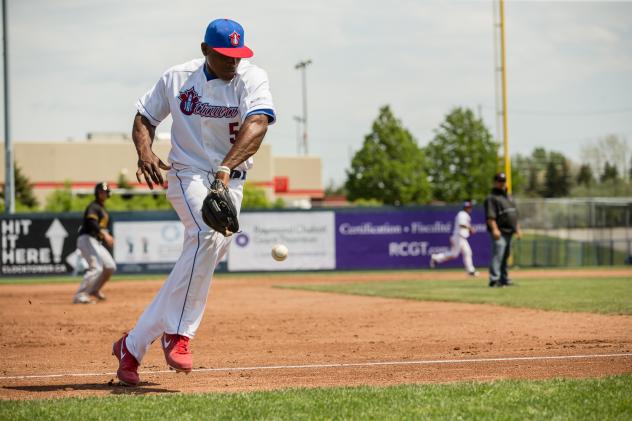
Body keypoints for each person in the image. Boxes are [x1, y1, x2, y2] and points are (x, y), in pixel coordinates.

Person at [112, 18, 276, 386]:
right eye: (225, 56)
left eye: (238, 55)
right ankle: (179, 334)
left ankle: (131, 346)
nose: (233, 62)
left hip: (229, 179)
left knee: (192, 267)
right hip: (187, 173)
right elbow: (144, 117)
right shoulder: (177, 78)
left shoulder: (251, 77)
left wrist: (224, 171)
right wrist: (145, 152)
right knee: (206, 236)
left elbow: (259, 123)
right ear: (205, 51)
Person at [73, 182, 116, 304]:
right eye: (100, 192)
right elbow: (92, 222)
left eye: (105, 192)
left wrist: (107, 235)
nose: (103, 194)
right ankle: (80, 295)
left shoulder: (102, 208)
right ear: (96, 193)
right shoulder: (94, 206)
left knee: (110, 266)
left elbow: (103, 227)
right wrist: (105, 234)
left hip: (96, 241)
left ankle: (94, 290)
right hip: (86, 238)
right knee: (96, 268)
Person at [484, 172, 521, 287]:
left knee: (505, 257)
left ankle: (504, 279)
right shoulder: (492, 198)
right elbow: (490, 217)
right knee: (498, 255)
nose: (502, 183)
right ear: (494, 182)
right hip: (500, 232)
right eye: (499, 181)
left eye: (503, 181)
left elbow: (514, 215)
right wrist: (495, 229)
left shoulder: (508, 197)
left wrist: (517, 229)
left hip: (510, 232)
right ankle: (494, 279)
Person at [429, 200, 479, 277]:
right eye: (468, 207)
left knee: (467, 252)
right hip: (458, 237)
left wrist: (469, 230)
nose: (469, 209)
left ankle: (470, 271)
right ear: (465, 208)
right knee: (454, 254)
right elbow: (461, 224)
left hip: (462, 238)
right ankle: (435, 257)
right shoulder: (462, 214)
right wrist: (470, 228)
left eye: (470, 207)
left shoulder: (465, 214)